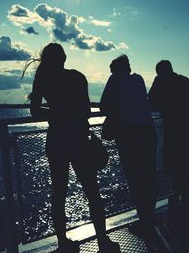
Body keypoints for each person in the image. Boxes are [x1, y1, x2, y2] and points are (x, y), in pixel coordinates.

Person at [28, 43, 120, 253]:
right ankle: (103, 241)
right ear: (64, 58)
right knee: (92, 192)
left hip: (57, 140)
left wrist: (57, 113)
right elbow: (85, 111)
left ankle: (63, 243)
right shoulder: (77, 77)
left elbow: (35, 111)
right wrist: (69, 113)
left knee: (58, 193)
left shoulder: (43, 79)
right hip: (79, 139)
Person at [100, 55, 158, 241]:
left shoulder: (115, 79)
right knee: (149, 175)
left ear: (115, 69)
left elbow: (103, 106)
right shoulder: (139, 79)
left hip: (129, 134)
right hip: (147, 132)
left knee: (135, 178)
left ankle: (144, 222)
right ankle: (150, 217)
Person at [148, 60, 189, 211]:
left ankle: (179, 198)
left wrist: (157, 83)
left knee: (178, 167)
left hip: (173, 132)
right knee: (183, 167)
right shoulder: (183, 80)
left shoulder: (161, 83)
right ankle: (182, 198)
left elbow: (151, 100)